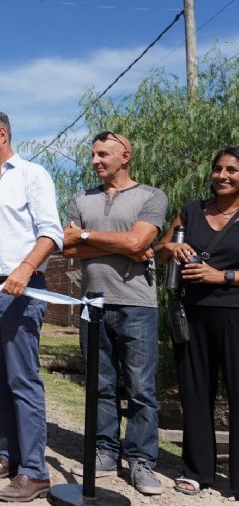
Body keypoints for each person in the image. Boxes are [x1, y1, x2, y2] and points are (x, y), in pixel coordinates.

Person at [0, 110, 63, 503]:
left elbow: (51, 232)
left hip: (20, 292)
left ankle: (35, 472)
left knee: (22, 380)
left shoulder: (31, 175)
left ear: (2, 134)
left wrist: (25, 268)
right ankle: (8, 456)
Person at [64, 131, 167, 495]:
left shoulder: (151, 196)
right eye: (93, 154)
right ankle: (105, 451)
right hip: (93, 303)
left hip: (137, 304)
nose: (95, 160)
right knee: (100, 384)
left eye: (103, 154)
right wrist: (117, 245)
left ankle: (140, 460)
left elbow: (140, 242)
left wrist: (88, 238)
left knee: (141, 388)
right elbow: (67, 245)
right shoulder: (80, 199)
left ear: (126, 156)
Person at [155, 146, 239, 499]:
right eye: (217, 168)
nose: (223, 175)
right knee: (195, 392)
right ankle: (196, 471)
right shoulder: (191, 211)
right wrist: (170, 248)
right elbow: (158, 254)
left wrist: (223, 276)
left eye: (232, 170)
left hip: (235, 313)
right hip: (192, 313)